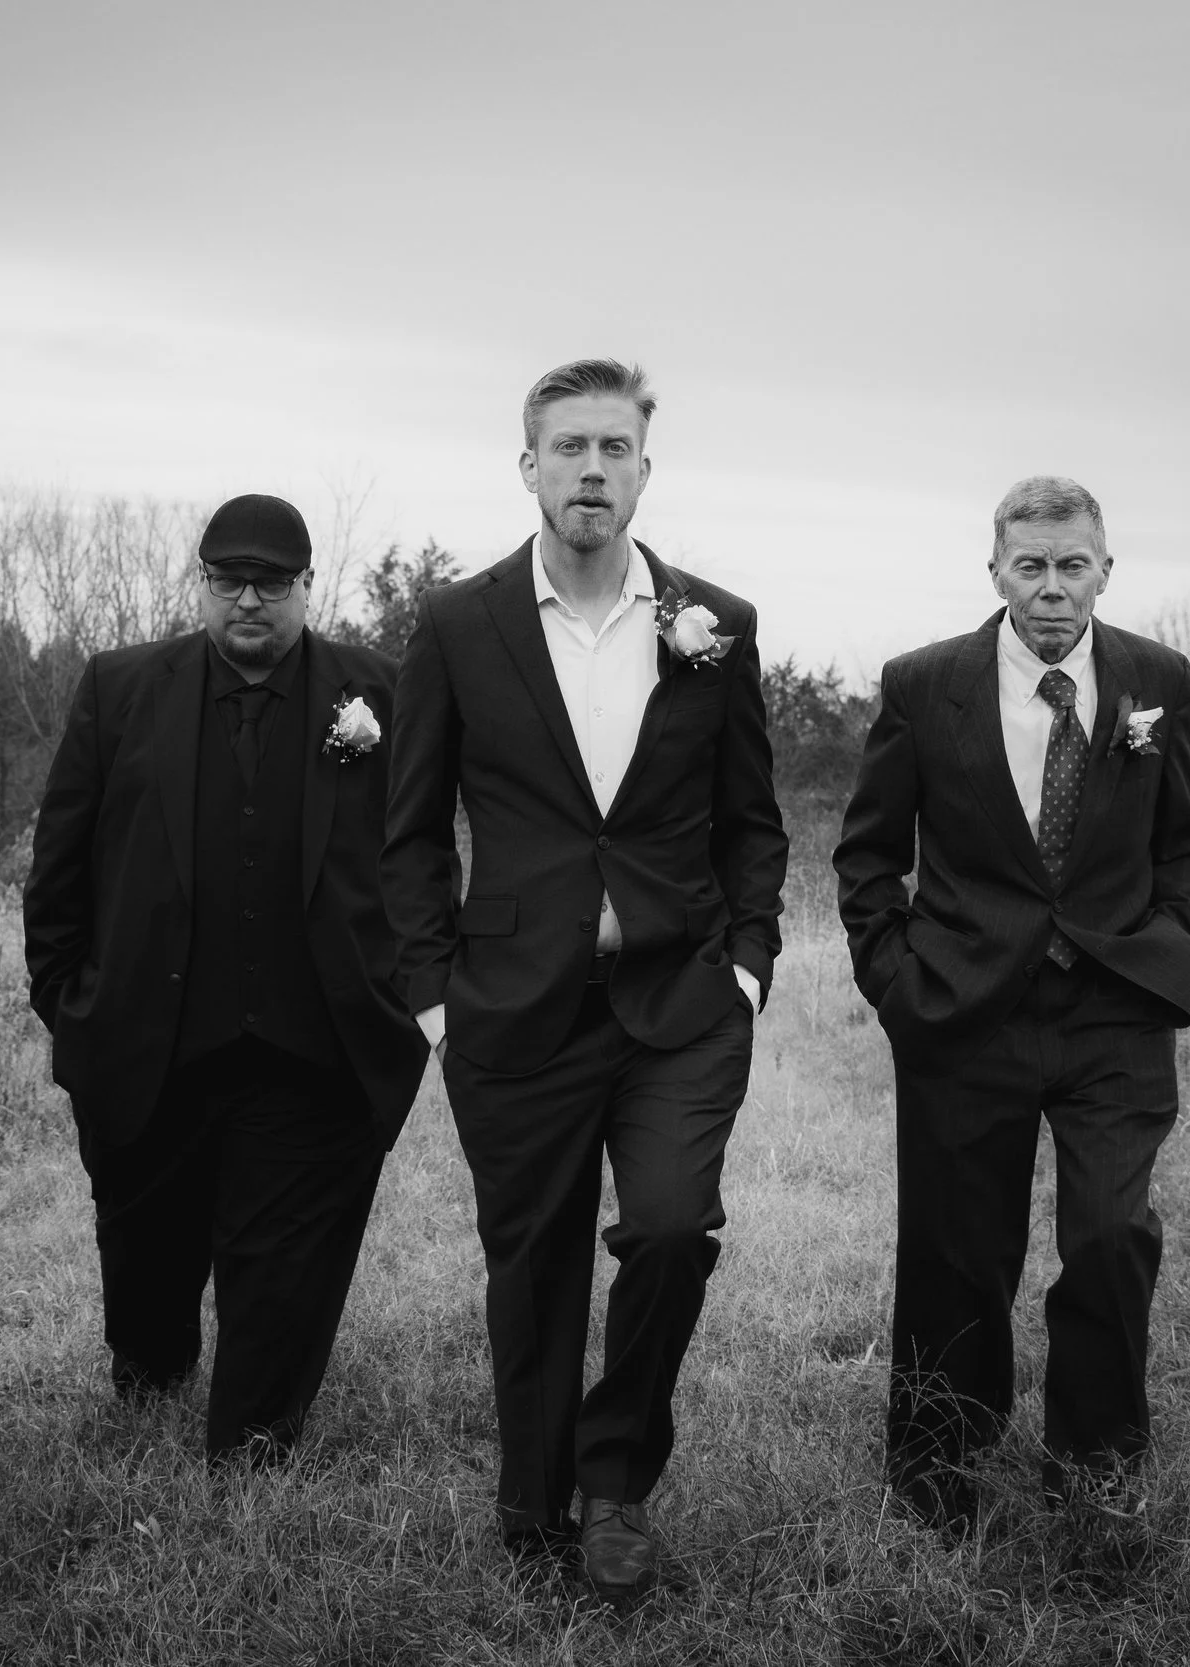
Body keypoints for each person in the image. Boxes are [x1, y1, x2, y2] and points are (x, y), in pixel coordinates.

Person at [382, 360, 787, 1608]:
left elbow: (751, 821)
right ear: (530, 469)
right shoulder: (459, 625)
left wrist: (750, 964)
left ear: (645, 471)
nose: (592, 469)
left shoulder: (717, 623)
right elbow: (405, 829)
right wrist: (435, 993)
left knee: (669, 1230)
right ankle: (533, 1506)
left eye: (615, 447)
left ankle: (615, 1484)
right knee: (536, 1262)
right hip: (512, 1002)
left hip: (681, 1001)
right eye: (569, 448)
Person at [831, 476, 1190, 1535]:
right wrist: (899, 985)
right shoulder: (923, 684)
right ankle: (937, 1470)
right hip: (963, 1008)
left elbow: (1185, 845)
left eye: (1072, 565)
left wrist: (1174, 951)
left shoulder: (1155, 680)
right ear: (994, 568)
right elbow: (868, 858)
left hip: (1115, 1008)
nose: (1051, 589)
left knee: (1106, 1237)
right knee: (958, 1253)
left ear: (1104, 567)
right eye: (1030, 566)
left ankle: (1094, 1473)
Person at [24, 493, 428, 1464]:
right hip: (146, 1037)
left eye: (271, 582)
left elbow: (420, 860)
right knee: (146, 1246)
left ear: (305, 585)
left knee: (282, 1260)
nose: (249, 599)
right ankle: (151, 1371)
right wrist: (69, 1002)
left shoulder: (377, 692)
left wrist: (404, 999)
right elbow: (60, 863)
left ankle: (253, 1438)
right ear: (201, 582)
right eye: (227, 580)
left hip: (316, 1044)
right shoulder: (120, 688)